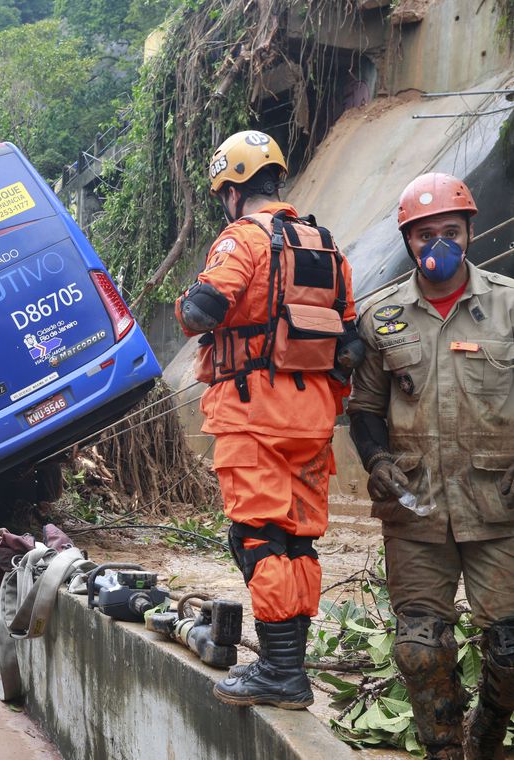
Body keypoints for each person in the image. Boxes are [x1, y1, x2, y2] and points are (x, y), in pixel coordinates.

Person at [174, 130, 360, 709]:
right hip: (312, 420)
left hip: (252, 416)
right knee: (298, 540)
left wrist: (187, 300)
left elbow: (202, 310)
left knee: (257, 537)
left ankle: (280, 671)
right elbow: (350, 345)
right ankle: (290, 665)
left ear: (232, 189)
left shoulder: (241, 239)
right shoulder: (327, 247)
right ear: (277, 179)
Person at [349, 172, 514, 760]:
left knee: (511, 650)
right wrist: (376, 459)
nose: (438, 244)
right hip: (415, 507)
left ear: (469, 232)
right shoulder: (382, 316)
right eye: (424, 235)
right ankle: (443, 750)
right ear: (408, 242)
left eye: (450, 230)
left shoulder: (508, 304)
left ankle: (487, 733)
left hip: (499, 504)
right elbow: (364, 409)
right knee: (421, 650)